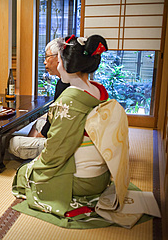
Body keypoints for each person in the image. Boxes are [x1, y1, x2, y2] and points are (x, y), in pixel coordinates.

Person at [12, 34, 131, 227]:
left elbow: (57, 150)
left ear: (67, 65)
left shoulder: (69, 100)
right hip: (102, 177)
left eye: (59, 61)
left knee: (24, 171)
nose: (57, 66)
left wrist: (35, 167)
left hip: (81, 180)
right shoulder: (98, 90)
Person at [8, 39, 69, 159]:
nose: (45, 62)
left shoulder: (67, 85)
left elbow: (56, 120)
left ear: (59, 58)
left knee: (12, 143)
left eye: (47, 57)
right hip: (58, 132)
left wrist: (42, 134)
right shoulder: (64, 81)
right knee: (38, 123)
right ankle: (32, 148)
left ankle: (35, 153)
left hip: (61, 143)